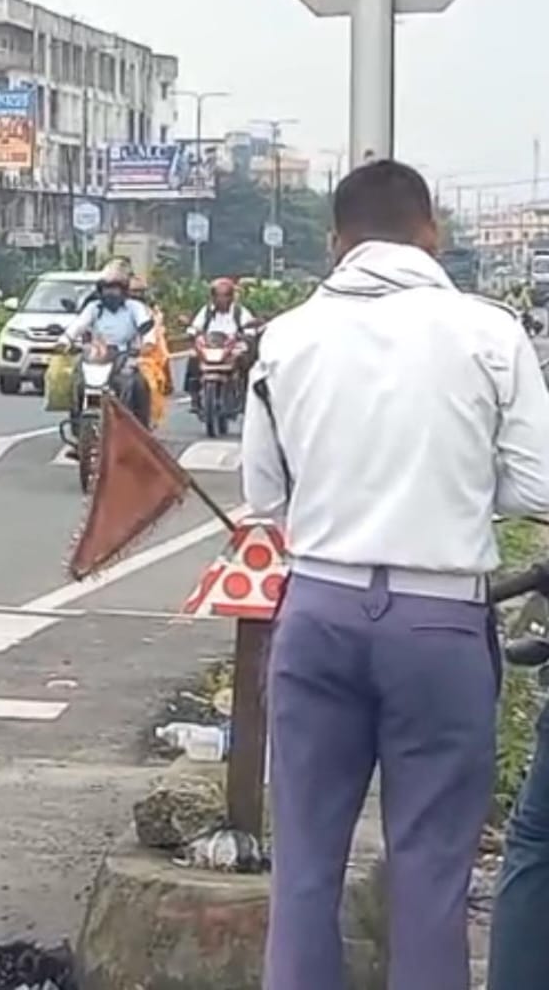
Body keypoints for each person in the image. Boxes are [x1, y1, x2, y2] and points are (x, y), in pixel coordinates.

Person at [241, 160, 549, 990]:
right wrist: (460, 483)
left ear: (335, 243)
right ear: (433, 232)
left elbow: (263, 495)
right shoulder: (489, 333)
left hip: (318, 610)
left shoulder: (285, 337)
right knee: (431, 874)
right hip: (439, 622)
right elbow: (539, 484)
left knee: (304, 868)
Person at [62, 258, 154, 425]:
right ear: (100, 290)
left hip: (125, 355)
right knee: (77, 382)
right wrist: (64, 340)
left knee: (139, 384)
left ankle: (140, 426)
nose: (110, 293)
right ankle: (76, 425)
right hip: (97, 354)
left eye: (115, 289)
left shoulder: (135, 308)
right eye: (106, 289)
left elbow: (146, 327)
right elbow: (78, 325)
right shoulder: (94, 308)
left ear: (124, 290)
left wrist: (148, 343)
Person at [185, 277, 259, 415]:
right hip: (211, 346)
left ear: (231, 297)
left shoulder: (240, 312)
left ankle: (246, 396)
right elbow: (195, 326)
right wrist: (192, 332)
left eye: (225, 295)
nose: (221, 299)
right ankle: (194, 396)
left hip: (233, 346)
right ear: (212, 297)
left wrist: (246, 335)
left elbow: (249, 329)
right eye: (217, 295)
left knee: (245, 362)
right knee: (193, 358)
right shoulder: (206, 311)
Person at [126, 269, 173, 430]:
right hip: (109, 358)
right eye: (132, 292)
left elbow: (153, 340)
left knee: (149, 385)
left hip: (142, 359)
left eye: (139, 292)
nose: (135, 295)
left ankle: (144, 424)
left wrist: (143, 349)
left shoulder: (150, 313)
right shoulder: (106, 310)